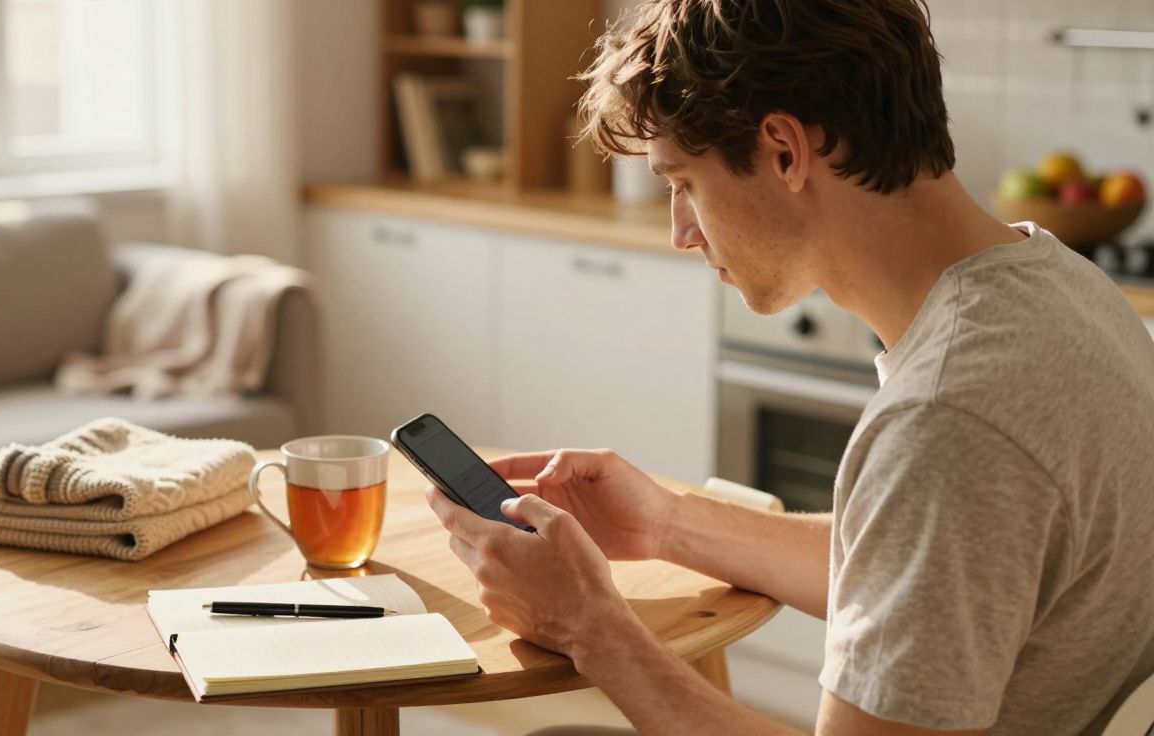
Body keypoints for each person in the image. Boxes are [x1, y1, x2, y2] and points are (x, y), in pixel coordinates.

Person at [423, 0, 1154, 734]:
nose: (680, 232)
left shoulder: (946, 419)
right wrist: (665, 523)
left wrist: (589, 626)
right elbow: (928, 566)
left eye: (684, 184)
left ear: (783, 150)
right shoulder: (1062, 285)